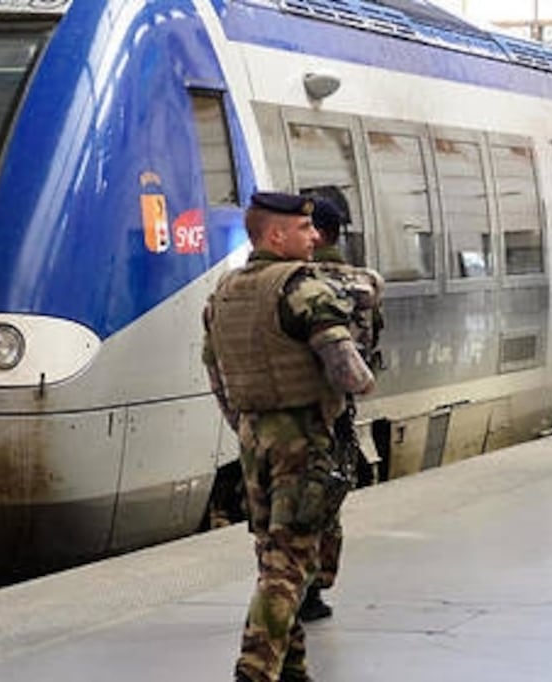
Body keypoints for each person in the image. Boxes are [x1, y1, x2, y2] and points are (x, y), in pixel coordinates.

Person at [202, 191, 376, 682]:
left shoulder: (225, 291)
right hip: (303, 440)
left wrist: (244, 424)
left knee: (274, 557)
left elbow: (215, 374)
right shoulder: (301, 288)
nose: (315, 236)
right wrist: (362, 380)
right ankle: (254, 671)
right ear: (277, 235)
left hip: (253, 438)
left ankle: (294, 671)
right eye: (305, 230)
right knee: (290, 565)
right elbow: (349, 373)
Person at [297, 188, 386, 623]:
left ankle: (286, 587)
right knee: (328, 500)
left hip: (292, 408)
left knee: (288, 507)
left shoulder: (294, 284)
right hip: (338, 410)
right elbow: (368, 338)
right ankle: (314, 588)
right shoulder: (363, 283)